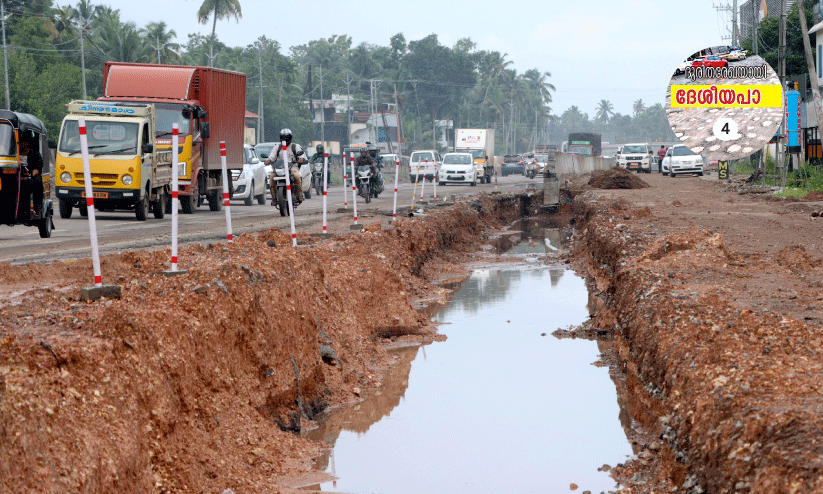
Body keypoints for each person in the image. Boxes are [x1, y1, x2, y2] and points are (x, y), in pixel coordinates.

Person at [265, 128, 305, 205]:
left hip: (292, 167)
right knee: (272, 177)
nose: (285, 140)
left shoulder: (295, 147)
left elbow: (302, 156)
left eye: (287, 138)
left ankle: (299, 194)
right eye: (283, 138)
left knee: (296, 176)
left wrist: (301, 159)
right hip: (280, 168)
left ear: (290, 138)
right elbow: (272, 157)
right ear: (280, 138)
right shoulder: (277, 147)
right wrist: (268, 161)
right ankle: (274, 197)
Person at [19, 134, 43, 216]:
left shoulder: (34, 153)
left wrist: (29, 175)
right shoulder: (13, 153)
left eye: (24, 142)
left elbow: (38, 168)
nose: (22, 144)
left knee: (36, 182)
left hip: (30, 177)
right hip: (17, 176)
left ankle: (37, 208)